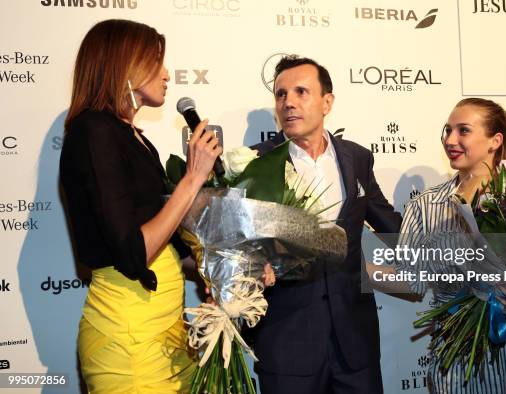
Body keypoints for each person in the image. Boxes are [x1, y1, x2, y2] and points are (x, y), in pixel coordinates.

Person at [59, 19, 222, 393]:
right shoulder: (93, 132)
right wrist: (193, 177)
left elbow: (165, 239)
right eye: (157, 62)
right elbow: (135, 253)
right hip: (128, 337)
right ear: (126, 65)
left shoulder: (133, 138)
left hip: (168, 332)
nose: (167, 74)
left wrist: (214, 271)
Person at [249, 55, 402, 394]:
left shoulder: (357, 158)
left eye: (301, 92)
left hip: (355, 345)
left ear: (327, 102)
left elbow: (391, 226)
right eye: (280, 94)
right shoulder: (257, 163)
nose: (289, 102)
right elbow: (237, 247)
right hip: (287, 344)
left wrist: (457, 249)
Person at [398, 98, 506, 393]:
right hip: (459, 355)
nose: (450, 140)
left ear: (495, 141)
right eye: (447, 130)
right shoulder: (425, 206)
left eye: (463, 131)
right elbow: (411, 280)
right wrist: (354, 262)